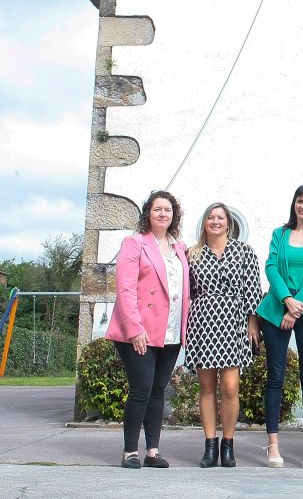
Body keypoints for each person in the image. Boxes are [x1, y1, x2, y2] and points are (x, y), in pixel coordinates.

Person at [105, 190, 190, 469]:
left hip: (171, 331)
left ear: (173, 215)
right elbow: (126, 289)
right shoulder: (134, 243)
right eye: (157, 209)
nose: (162, 214)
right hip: (139, 332)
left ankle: (152, 451)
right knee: (141, 389)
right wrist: (135, 329)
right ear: (148, 214)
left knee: (158, 391)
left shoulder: (180, 249)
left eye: (167, 210)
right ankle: (130, 451)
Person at [255, 185, 303, 469]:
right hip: (277, 307)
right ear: (294, 204)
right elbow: (271, 267)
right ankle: (272, 445)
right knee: (275, 376)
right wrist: (287, 300)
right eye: (300, 201)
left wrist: (297, 306)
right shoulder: (280, 233)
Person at [184, 202, 262, 468]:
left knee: (230, 387)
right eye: (210, 217)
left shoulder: (244, 252)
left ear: (229, 223)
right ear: (205, 222)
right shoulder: (192, 254)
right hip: (203, 322)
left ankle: (228, 444)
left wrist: (253, 323)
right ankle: (209, 446)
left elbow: (253, 288)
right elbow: (189, 293)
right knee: (206, 387)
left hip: (234, 321)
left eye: (220, 217)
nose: (215, 221)